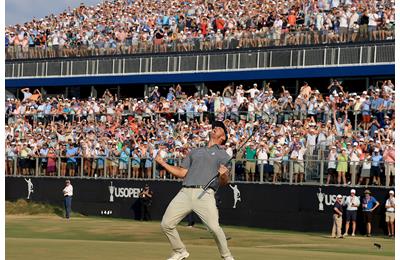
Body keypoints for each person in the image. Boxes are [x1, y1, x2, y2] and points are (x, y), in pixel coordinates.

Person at [155, 121, 234, 260]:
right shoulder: (195, 151)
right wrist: (162, 163)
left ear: (223, 138)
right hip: (185, 192)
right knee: (166, 224)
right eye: (214, 127)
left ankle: (227, 256)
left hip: (205, 194)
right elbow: (181, 172)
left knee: (215, 228)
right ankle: (180, 251)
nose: (215, 128)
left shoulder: (223, 156)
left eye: (219, 128)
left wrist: (224, 174)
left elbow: (224, 182)